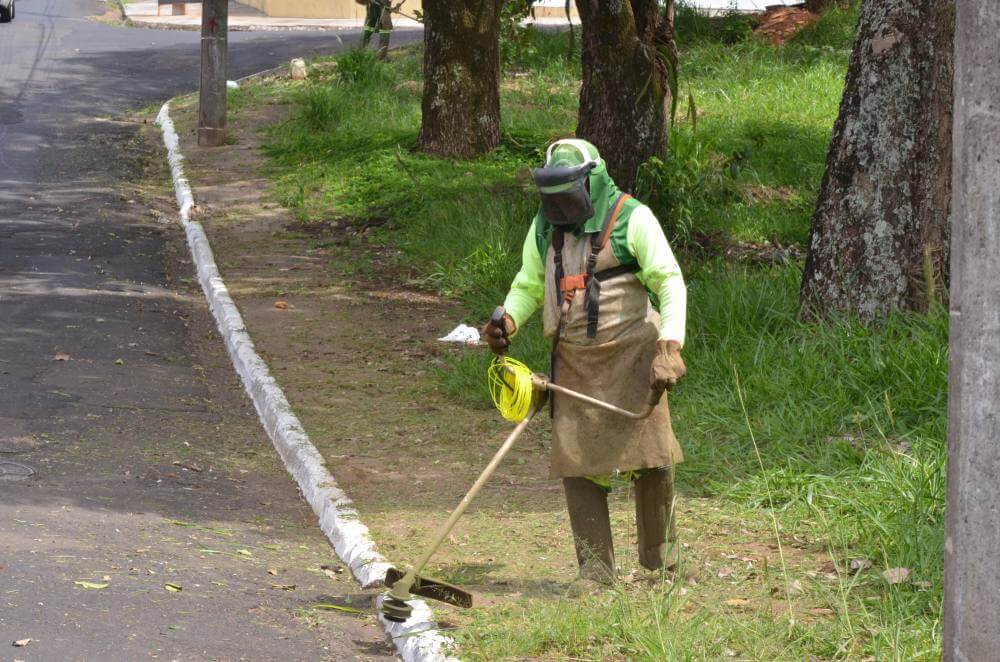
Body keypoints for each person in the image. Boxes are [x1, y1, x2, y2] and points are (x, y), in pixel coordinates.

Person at [482, 139, 687, 584]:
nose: (558, 205)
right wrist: (509, 320)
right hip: (573, 361)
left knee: (653, 460)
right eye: (550, 196)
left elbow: (669, 281)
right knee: (578, 465)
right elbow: (530, 282)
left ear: (590, 183)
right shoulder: (545, 227)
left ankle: (661, 569)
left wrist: (669, 347)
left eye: (566, 194)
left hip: (634, 355)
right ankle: (596, 575)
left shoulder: (633, 217)